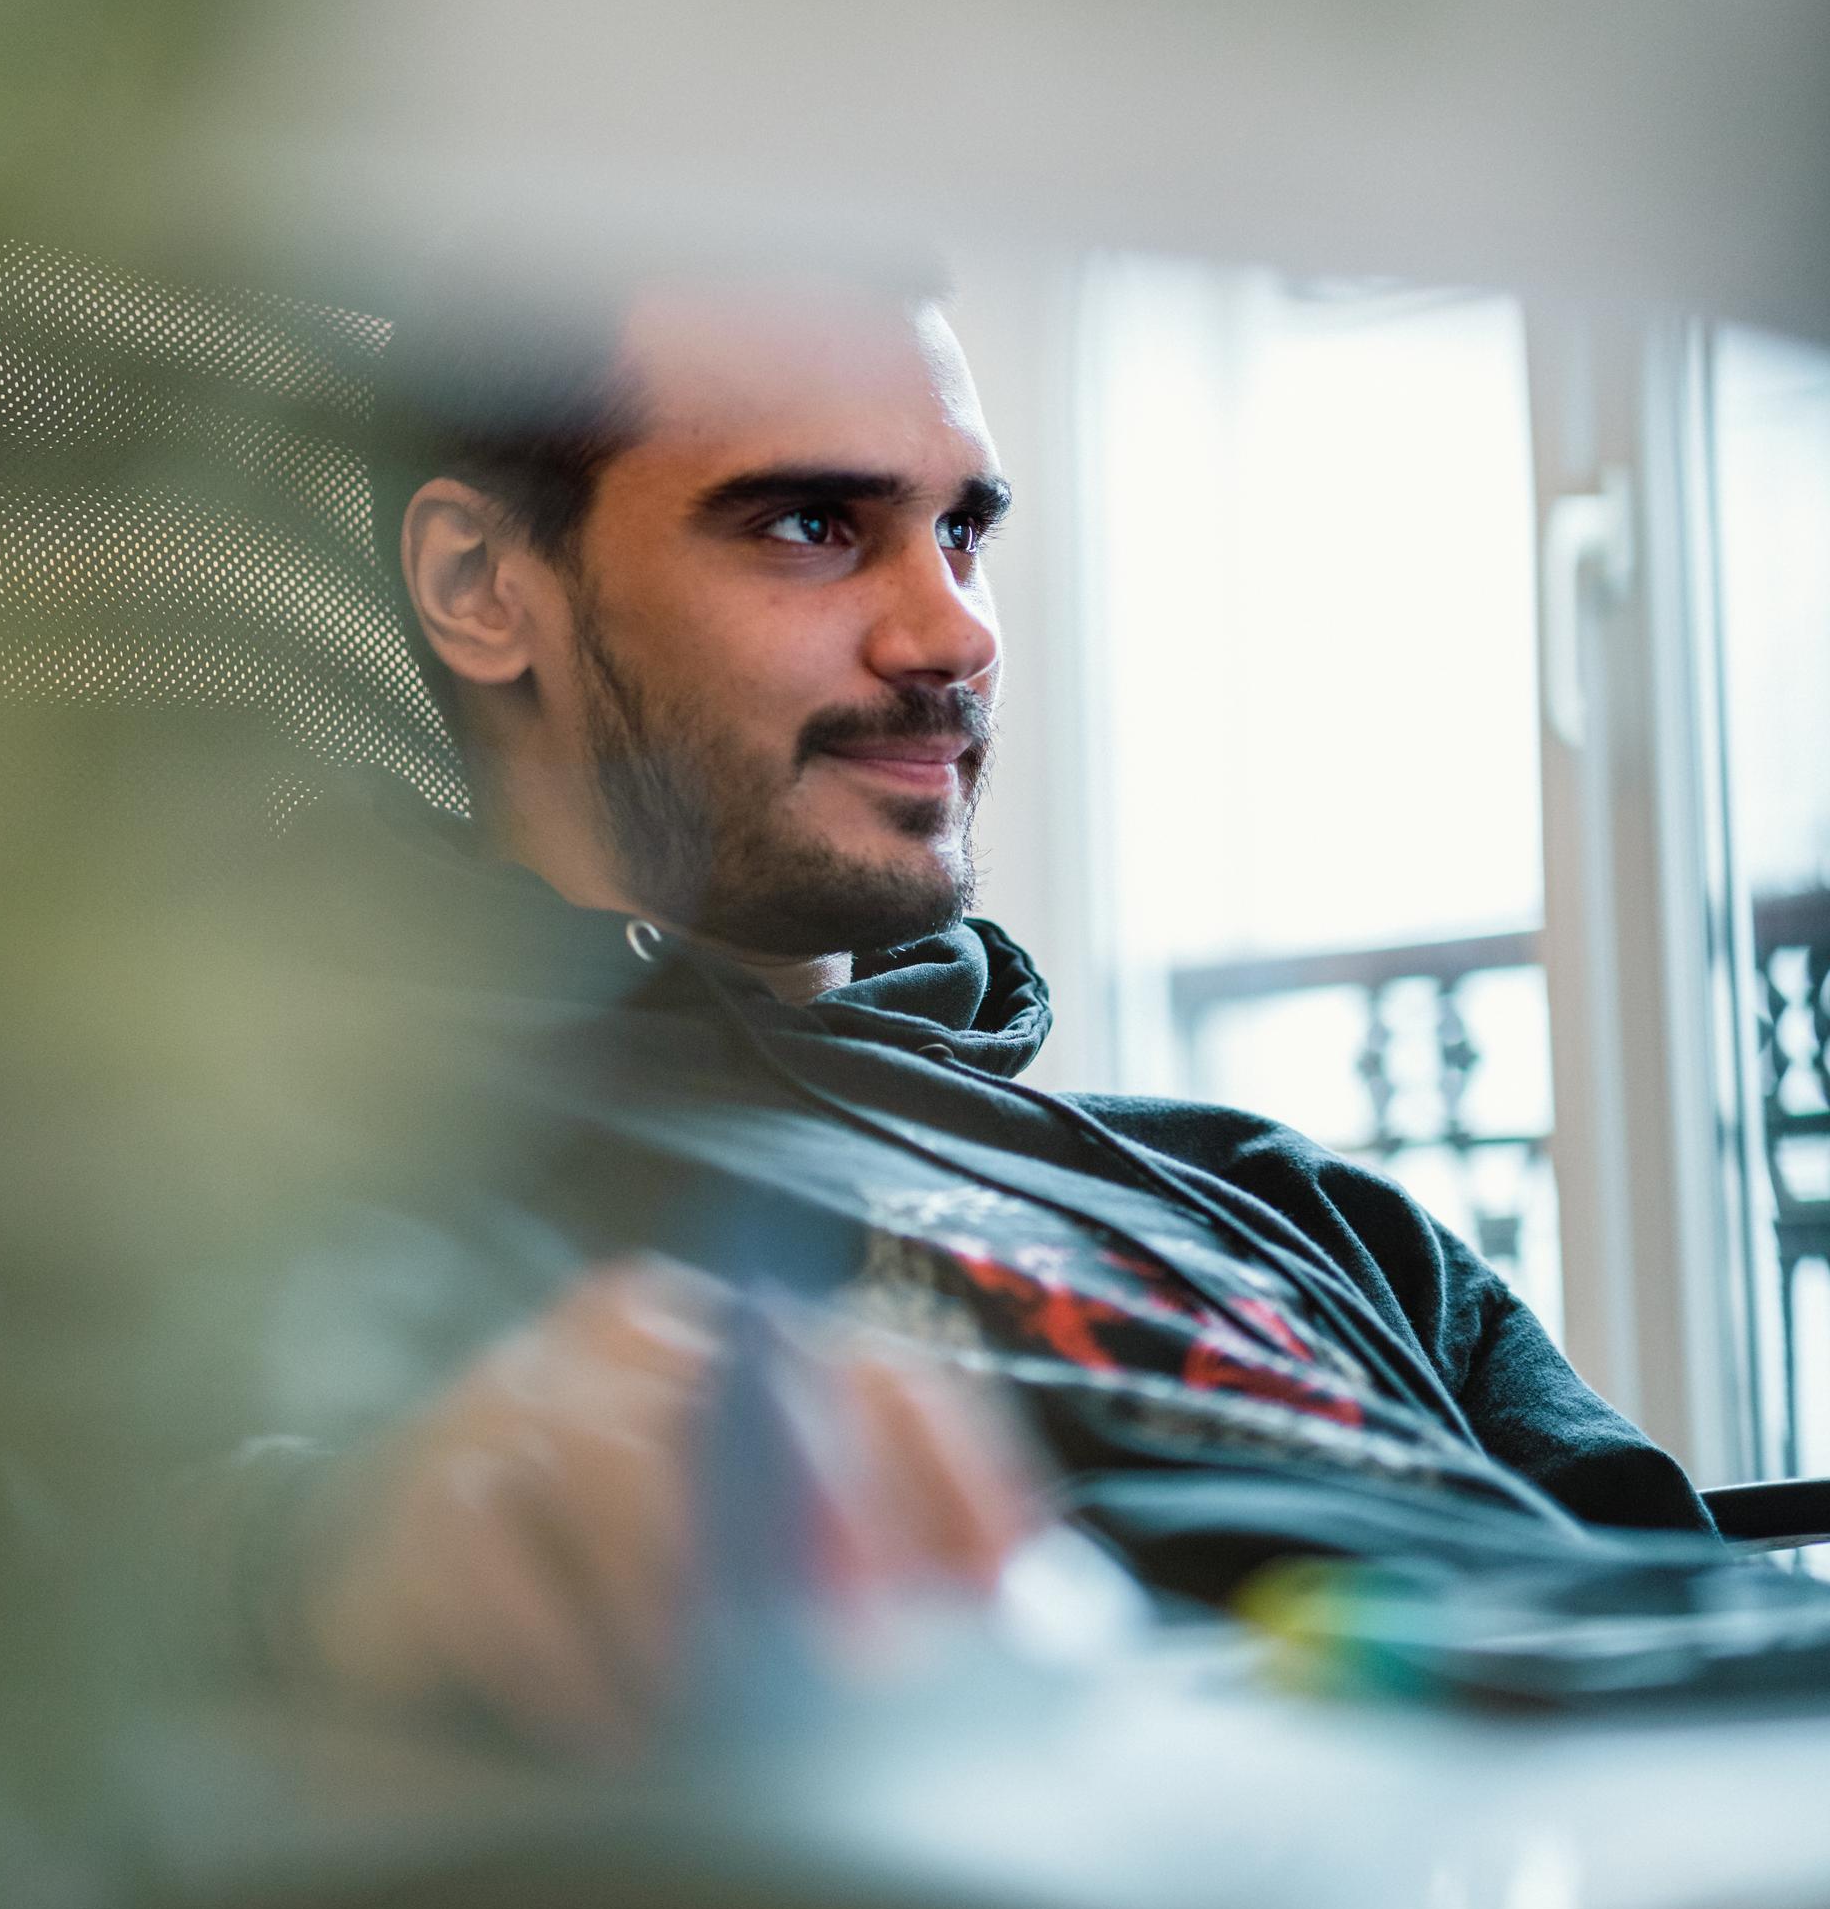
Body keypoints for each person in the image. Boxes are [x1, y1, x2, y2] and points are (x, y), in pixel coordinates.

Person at [245, 267, 1715, 1751]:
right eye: (812, 526)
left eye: (961, 532)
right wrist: (344, 1538)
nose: (953, 635)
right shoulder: (324, 1185)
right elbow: (166, 1557)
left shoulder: (1280, 1198)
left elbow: (1699, 1608)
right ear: (482, 587)